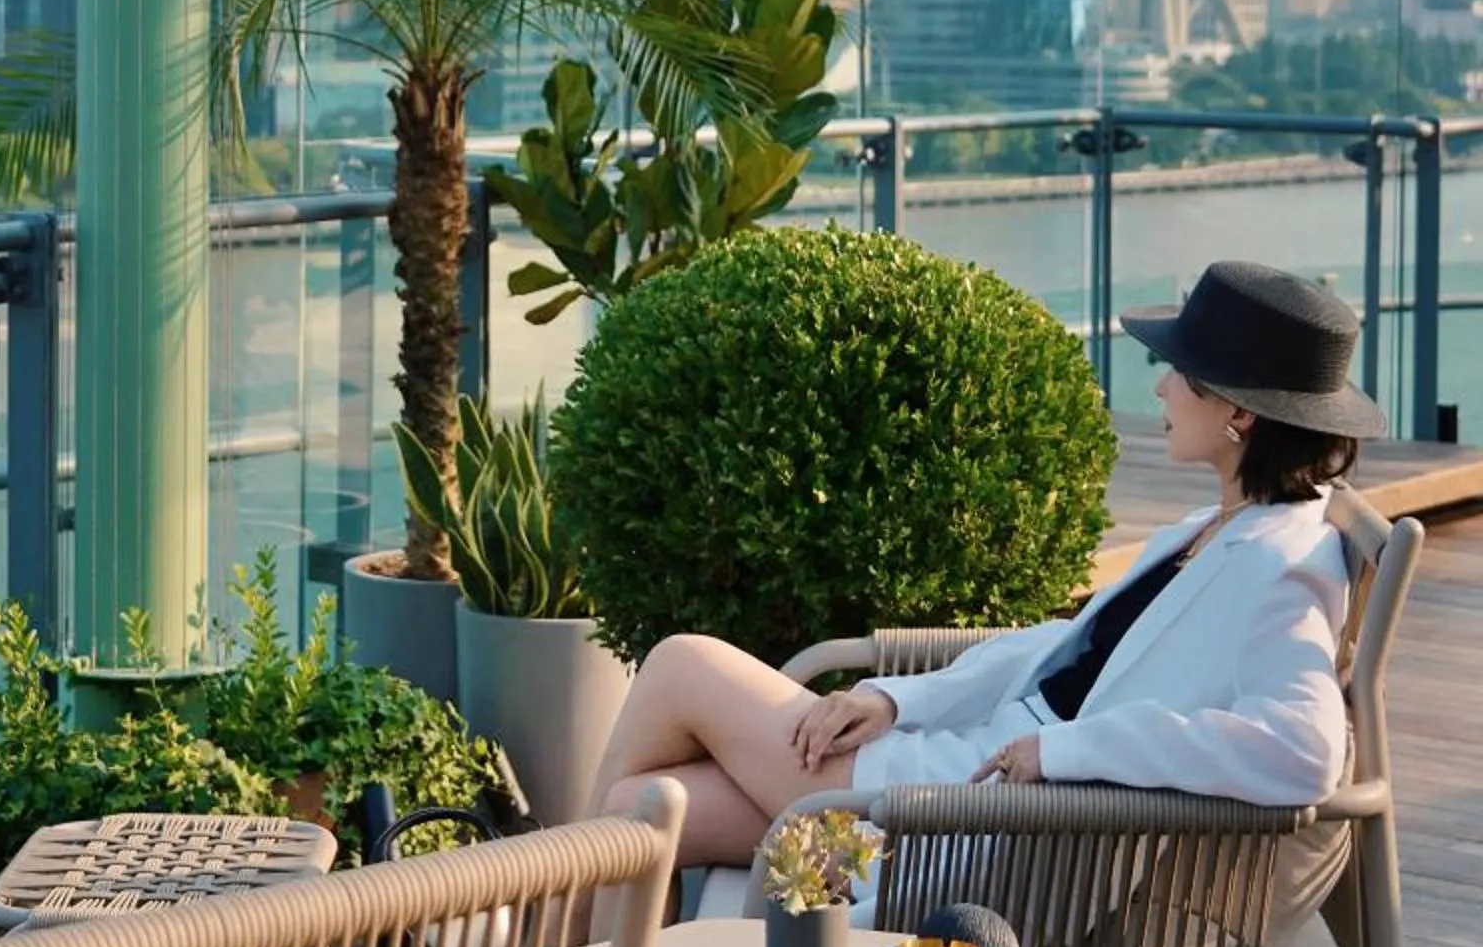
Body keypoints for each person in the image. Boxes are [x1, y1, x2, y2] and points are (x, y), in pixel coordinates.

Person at [585, 261, 1383, 879]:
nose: (1161, 385)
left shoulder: (1284, 565)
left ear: (1238, 413)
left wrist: (1070, 753)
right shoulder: (1218, 529)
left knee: (682, 662)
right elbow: (1061, 650)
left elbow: (1304, 750)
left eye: (1180, 373)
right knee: (639, 811)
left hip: (963, 816)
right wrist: (897, 696)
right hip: (955, 760)